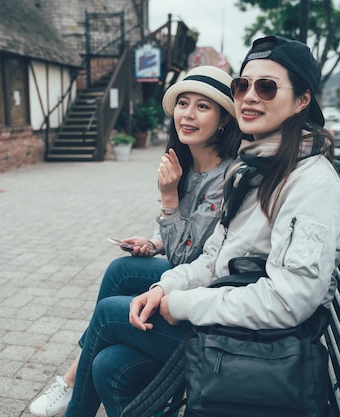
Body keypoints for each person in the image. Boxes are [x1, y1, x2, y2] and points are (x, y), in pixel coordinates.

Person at [60, 35, 340, 417]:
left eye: (266, 87)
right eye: (242, 85)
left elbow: (288, 301)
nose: (249, 96)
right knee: (111, 364)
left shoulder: (310, 184)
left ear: (303, 100)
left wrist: (182, 303)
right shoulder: (260, 167)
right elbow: (215, 257)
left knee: (111, 313)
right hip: (236, 324)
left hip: (263, 345)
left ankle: (68, 400)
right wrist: (164, 287)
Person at [28, 66, 242, 417]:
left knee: (108, 323)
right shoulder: (188, 163)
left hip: (205, 303)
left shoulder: (224, 179)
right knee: (122, 274)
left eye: (203, 107)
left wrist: (168, 198)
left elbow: (187, 257)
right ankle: (69, 384)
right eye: (183, 103)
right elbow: (181, 240)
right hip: (190, 283)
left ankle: (69, 388)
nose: (187, 114)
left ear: (223, 121)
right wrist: (153, 242)